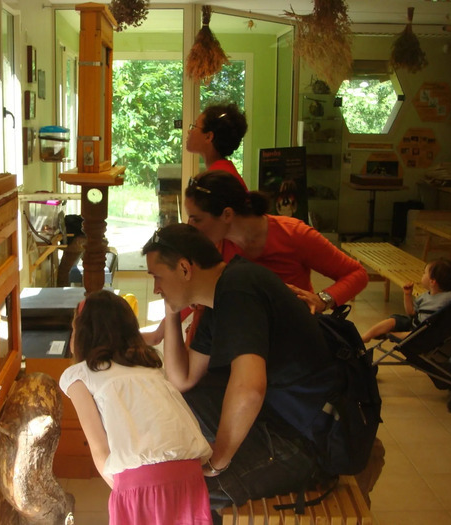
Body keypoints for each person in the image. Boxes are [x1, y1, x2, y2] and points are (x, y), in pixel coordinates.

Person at [142, 224, 346, 520]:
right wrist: (172, 312)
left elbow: (250, 389)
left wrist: (218, 460)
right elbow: (182, 379)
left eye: (158, 277)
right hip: (277, 421)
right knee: (178, 400)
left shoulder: (239, 290)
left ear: (185, 268)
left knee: (178, 493)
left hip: (304, 444)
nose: (156, 288)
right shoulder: (221, 295)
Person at [59, 290, 213, 525]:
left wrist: (123, 493)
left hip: (140, 483)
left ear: (81, 335)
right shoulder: (149, 365)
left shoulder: (78, 376)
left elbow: (99, 449)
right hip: (190, 474)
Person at [184, 170, 368, 313]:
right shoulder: (213, 245)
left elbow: (356, 274)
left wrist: (323, 300)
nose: (190, 226)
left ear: (227, 214)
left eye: (196, 219)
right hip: (243, 338)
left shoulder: (294, 234)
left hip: (290, 339)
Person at [361, 258, 451, 343]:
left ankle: (390, 334)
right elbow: (411, 312)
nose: (422, 275)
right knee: (393, 319)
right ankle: (366, 336)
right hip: (414, 323)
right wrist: (407, 295)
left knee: (414, 334)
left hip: (426, 333)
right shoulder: (424, 296)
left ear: (432, 281)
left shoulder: (450, 297)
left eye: (424, 273)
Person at [186, 103, 248, 189]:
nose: (189, 131)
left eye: (195, 126)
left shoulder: (218, 181)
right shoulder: (223, 172)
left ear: (208, 137)